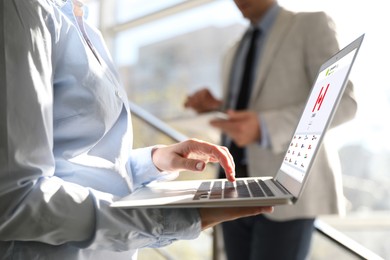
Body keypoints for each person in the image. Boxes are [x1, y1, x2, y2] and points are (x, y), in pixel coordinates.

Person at [0, 0, 274, 259]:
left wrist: (154, 161)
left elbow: (81, 165)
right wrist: (181, 217)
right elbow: (14, 200)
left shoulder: (82, 23)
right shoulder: (22, 10)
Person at [184, 0, 357, 259]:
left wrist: (265, 126)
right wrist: (216, 107)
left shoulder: (310, 24)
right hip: (231, 189)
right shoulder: (233, 51)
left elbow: (343, 102)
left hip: (287, 188)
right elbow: (245, 110)